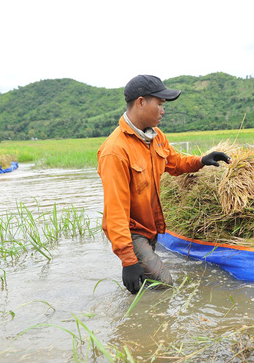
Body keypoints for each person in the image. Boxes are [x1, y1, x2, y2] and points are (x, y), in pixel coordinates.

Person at [98, 75, 231, 294]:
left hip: (151, 227)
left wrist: (201, 160)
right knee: (165, 286)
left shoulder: (156, 136)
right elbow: (115, 211)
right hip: (132, 232)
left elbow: (174, 161)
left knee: (144, 289)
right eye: (159, 103)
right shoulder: (115, 151)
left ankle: (138, 324)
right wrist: (127, 259)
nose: (163, 110)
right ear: (141, 102)